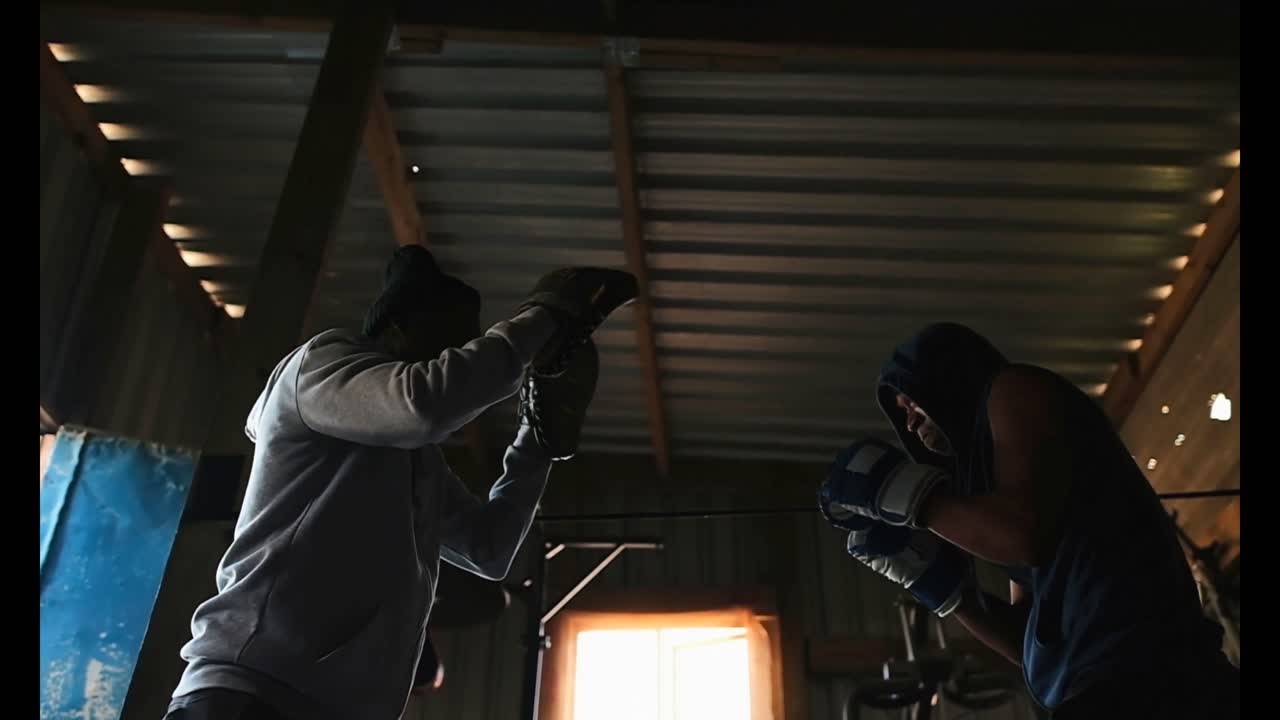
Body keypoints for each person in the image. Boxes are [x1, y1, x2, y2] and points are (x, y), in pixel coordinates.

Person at [164, 246, 636, 720]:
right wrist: (548, 314)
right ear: (396, 328)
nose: (459, 357)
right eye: (451, 342)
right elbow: (427, 405)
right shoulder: (315, 368)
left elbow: (488, 549)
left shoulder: (415, 460)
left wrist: (536, 444)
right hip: (250, 694)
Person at [819, 323, 1240, 719]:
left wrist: (908, 498)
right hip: (1102, 689)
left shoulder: (1012, 390)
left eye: (911, 401)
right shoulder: (993, 487)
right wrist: (946, 590)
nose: (908, 420)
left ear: (944, 380)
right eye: (900, 412)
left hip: (1154, 674)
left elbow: (1024, 538)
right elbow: (1030, 637)